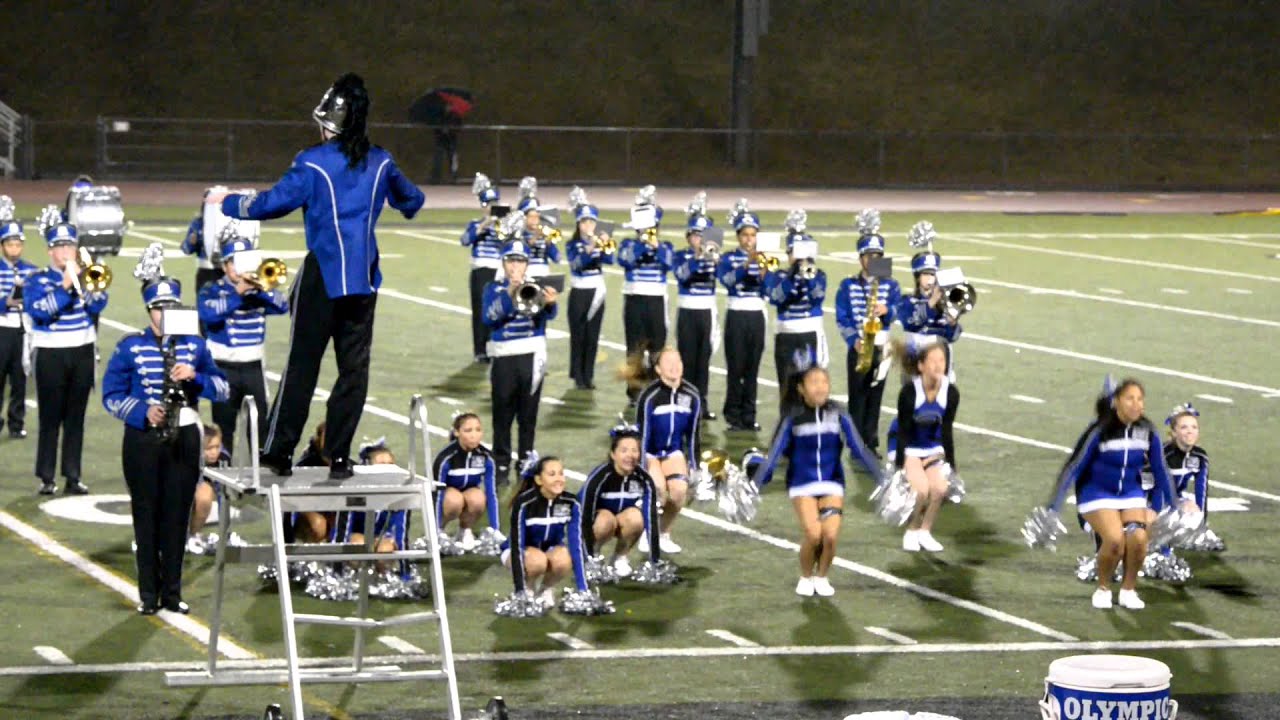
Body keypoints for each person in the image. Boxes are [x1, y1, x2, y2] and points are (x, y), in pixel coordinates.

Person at [218, 72, 425, 480]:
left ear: (327, 121)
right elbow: (413, 201)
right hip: (363, 280)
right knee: (354, 372)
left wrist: (228, 202)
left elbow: (272, 203)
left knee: (301, 367)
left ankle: (278, 452)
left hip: (323, 277)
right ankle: (340, 455)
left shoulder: (312, 161)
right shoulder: (381, 160)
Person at [102, 273, 230, 614]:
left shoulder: (195, 345)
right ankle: (148, 595)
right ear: (149, 311)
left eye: (171, 306)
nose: (165, 313)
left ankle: (172, 593)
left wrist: (196, 378)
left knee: (177, 515)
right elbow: (110, 396)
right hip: (143, 439)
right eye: (159, 307)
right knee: (146, 515)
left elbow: (223, 388)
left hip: (184, 436)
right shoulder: (130, 347)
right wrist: (143, 411)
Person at [1045, 377, 1178, 610]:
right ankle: (1103, 588)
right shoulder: (1099, 431)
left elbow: (1161, 469)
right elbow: (1073, 466)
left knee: (1138, 538)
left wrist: (1175, 507)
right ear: (1116, 402)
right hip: (1096, 493)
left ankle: (1128, 590)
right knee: (1115, 540)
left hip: (1130, 492)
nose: (1136, 404)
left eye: (1139, 399)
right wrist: (1054, 507)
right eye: (1130, 399)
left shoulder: (1147, 432)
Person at [753, 364, 881, 597]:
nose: (820, 387)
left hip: (832, 481)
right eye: (814, 382)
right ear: (801, 389)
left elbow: (860, 449)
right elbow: (774, 454)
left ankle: (821, 577)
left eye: (824, 382)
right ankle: (805, 576)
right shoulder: (792, 417)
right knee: (814, 534)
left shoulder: (838, 413)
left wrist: (883, 479)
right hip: (802, 483)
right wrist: (756, 484)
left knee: (830, 536)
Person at [26, 221, 108, 495]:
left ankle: (73, 475)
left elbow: (99, 303)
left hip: (82, 352)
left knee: (76, 418)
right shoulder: (37, 280)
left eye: (70, 246)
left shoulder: (86, 275)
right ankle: (46, 476)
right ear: (50, 251)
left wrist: (82, 280)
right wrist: (65, 285)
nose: (65, 251)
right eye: (60, 246)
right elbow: (41, 312)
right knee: (50, 418)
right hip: (51, 354)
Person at [197, 229, 289, 461]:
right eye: (235, 264)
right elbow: (208, 315)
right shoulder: (213, 289)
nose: (239, 269)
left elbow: (283, 305)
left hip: (253, 370)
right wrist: (238, 292)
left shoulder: (260, 291)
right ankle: (221, 483)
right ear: (226, 266)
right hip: (222, 369)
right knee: (224, 430)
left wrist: (261, 288)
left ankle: (263, 478)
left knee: (260, 429)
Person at [483, 237, 559, 483]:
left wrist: (550, 304)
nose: (516, 266)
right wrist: (509, 292)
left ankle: (526, 460)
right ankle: (501, 463)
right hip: (504, 357)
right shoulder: (492, 288)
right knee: (502, 413)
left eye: (520, 261)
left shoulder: (535, 286)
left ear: (527, 264)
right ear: (503, 263)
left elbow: (547, 317)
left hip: (532, 357)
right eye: (511, 261)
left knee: (528, 414)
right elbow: (489, 317)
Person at [835, 209, 901, 455]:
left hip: (882, 345)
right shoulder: (848, 285)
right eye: (868, 255)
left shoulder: (890, 284)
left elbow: (900, 310)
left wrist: (888, 309)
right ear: (860, 258)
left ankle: (870, 442)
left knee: (876, 395)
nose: (873, 259)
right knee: (857, 395)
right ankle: (855, 442)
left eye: (877, 255)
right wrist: (853, 340)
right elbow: (842, 316)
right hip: (860, 345)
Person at [893, 339, 960, 553]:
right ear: (921, 366)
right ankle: (911, 531)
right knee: (921, 490)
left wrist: (951, 465)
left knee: (940, 488)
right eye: (932, 361)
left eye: (942, 360)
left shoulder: (951, 393)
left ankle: (925, 531)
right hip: (909, 446)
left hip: (932, 448)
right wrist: (898, 465)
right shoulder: (909, 393)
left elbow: (947, 430)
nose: (938, 365)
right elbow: (902, 429)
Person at [633, 347, 701, 555]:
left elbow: (693, 435)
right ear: (658, 369)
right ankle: (648, 532)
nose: (674, 366)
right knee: (658, 490)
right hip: (650, 452)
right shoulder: (650, 396)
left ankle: (663, 533)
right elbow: (642, 434)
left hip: (673, 451)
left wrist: (695, 466)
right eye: (668, 363)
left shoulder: (692, 395)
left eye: (678, 361)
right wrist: (643, 465)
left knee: (679, 491)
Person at [501, 455, 589, 609]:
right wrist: (519, 589)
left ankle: (546, 589)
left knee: (564, 558)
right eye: (552, 474)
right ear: (539, 480)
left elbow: (576, 544)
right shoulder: (524, 503)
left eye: (561, 473)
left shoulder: (572, 503)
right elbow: (517, 544)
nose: (558, 479)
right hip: (517, 552)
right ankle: (528, 588)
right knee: (537, 561)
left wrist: (583, 589)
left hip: (548, 551)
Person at [578, 423, 662, 577]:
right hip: (596, 523)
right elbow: (583, 515)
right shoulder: (599, 477)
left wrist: (655, 560)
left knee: (637, 517)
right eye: (624, 450)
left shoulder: (644, 478)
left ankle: (620, 558)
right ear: (613, 454)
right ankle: (592, 557)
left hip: (622, 521)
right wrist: (586, 552)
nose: (630, 456)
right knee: (606, 519)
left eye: (634, 450)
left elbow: (651, 518)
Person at [617, 186, 674, 403]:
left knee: (657, 347)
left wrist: (655, 245)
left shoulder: (665, 246)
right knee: (635, 348)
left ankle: (657, 387)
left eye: (652, 225)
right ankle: (635, 392)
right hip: (635, 300)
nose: (649, 229)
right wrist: (642, 243)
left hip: (656, 301)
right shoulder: (629, 244)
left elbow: (668, 263)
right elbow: (625, 260)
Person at [716, 201, 768, 431]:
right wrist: (746, 265)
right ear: (738, 237)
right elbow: (726, 281)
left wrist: (766, 273)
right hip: (736, 315)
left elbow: (770, 290)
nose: (749, 240)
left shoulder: (764, 259)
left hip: (757, 315)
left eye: (753, 235)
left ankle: (749, 415)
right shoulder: (728, 258)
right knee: (736, 368)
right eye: (745, 235)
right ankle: (733, 414)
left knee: (752, 368)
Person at [765, 211, 828, 392]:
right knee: (787, 386)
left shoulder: (819, 275)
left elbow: (817, 296)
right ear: (788, 254)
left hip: (810, 333)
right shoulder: (779, 275)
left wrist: (807, 275)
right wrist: (793, 275)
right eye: (795, 252)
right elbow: (777, 298)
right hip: (786, 336)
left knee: (813, 383)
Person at [894, 223, 962, 382]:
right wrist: (931, 303)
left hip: (941, 370)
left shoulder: (944, 305)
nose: (930, 279)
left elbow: (952, 336)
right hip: (915, 370)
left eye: (933, 274)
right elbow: (911, 322)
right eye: (926, 274)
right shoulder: (907, 302)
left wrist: (953, 323)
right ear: (917, 277)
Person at [672, 194, 717, 419]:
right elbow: (681, 276)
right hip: (688, 311)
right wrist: (697, 257)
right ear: (688, 236)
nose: (698, 239)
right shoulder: (681, 256)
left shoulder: (715, 257)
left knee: (704, 359)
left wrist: (713, 259)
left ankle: (702, 403)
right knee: (687, 359)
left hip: (707, 310)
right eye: (695, 235)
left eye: (702, 236)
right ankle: (685, 401)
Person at [564, 189, 614, 390]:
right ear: (578, 224)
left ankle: (588, 375)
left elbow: (610, 259)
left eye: (591, 222)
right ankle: (578, 375)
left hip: (597, 292)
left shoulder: (600, 242)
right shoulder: (572, 244)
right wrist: (591, 247)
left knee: (592, 335)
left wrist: (604, 244)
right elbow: (577, 264)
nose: (588, 226)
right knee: (579, 335)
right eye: (584, 222)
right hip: (579, 293)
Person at [431, 412, 500, 550]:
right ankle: (438, 531)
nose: (474, 435)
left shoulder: (486, 457)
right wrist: (435, 527)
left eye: (478, 430)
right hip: (448, 495)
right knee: (454, 501)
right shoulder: (446, 458)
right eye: (468, 430)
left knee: (479, 498)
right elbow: (437, 495)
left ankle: (464, 530)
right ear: (457, 432)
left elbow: (491, 493)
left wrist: (495, 528)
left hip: (469, 491)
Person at [0, 221, 39, 439]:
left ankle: (16, 423)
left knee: (19, 378)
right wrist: (6, 303)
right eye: (10, 244)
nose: (14, 249)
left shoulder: (31, 270)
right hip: (2, 329)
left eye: (17, 244)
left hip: (23, 331)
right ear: (2, 246)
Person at [461, 173, 504, 363]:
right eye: (488, 204)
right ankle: (480, 349)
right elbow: (465, 240)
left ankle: (493, 346)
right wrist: (483, 226)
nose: (492, 207)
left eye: (494, 203)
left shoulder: (502, 226)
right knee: (480, 311)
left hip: (498, 270)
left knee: (496, 309)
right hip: (480, 271)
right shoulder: (475, 224)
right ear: (483, 206)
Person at [187, 424, 232, 555]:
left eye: (217, 447)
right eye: (209, 448)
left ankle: (193, 536)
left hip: (199, 484)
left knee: (205, 498)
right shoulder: (187, 456)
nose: (214, 452)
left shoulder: (223, 459)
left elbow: (223, 496)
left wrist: (225, 532)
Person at [179, 189, 226, 296]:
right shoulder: (198, 223)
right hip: (206, 271)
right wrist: (191, 241)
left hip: (226, 271)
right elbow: (186, 249)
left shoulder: (230, 222)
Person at [517, 177, 562, 280]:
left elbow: (557, 259)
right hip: (524, 275)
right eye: (531, 217)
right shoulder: (519, 234)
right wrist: (534, 238)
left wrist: (549, 243)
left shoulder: (544, 233)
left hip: (543, 274)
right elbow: (519, 255)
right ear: (524, 218)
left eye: (537, 217)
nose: (534, 220)